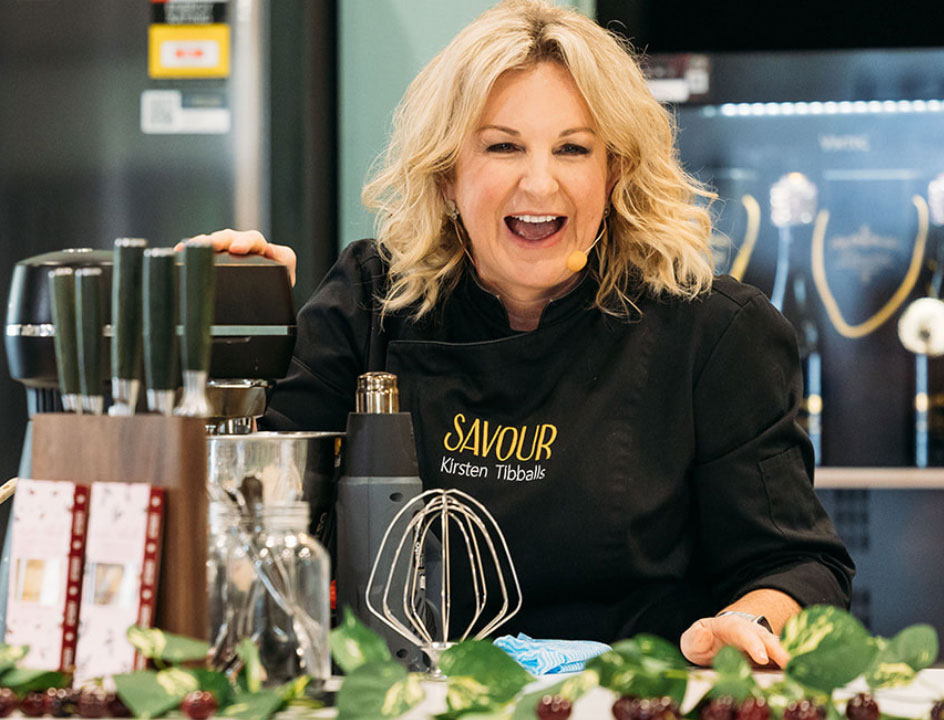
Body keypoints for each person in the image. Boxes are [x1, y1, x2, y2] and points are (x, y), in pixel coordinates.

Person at [194, 0, 853, 667]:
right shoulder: (369, 302)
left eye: (573, 149)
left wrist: (742, 622)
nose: (539, 183)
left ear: (614, 173)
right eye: (502, 146)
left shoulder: (713, 333)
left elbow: (798, 564)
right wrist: (218, 367)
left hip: (631, 705)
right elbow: (243, 527)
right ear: (448, 174)